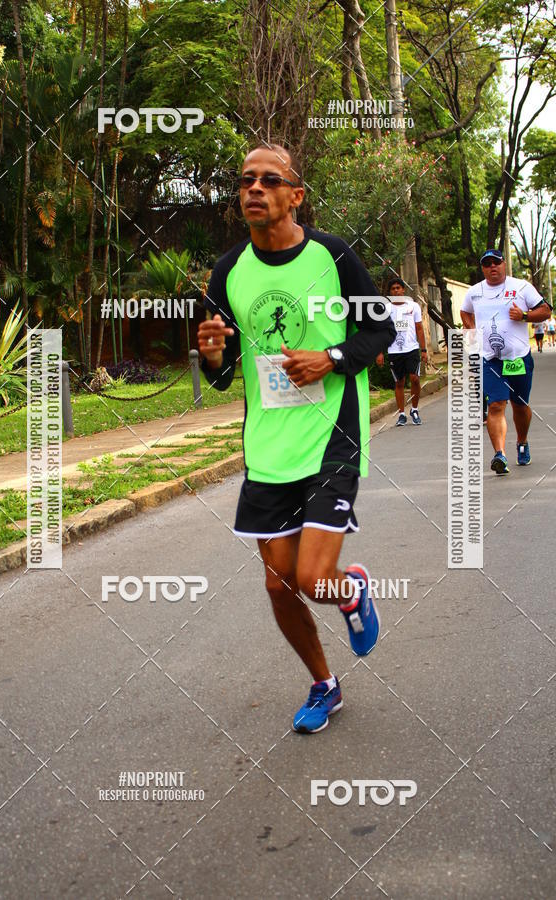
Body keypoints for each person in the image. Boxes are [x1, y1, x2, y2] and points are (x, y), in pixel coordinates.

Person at [197, 143, 396, 734]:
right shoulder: (228, 271)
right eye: (245, 181)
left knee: (312, 578)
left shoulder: (333, 256)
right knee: (279, 584)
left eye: (269, 180)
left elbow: (379, 329)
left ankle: (350, 591)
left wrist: (330, 358)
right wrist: (212, 356)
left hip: (331, 438)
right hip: (268, 447)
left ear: (295, 195)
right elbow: (222, 371)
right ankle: (324, 685)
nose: (254, 189)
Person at [460, 249, 551, 474]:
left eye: (496, 262)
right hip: (490, 359)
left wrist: (525, 316)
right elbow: (465, 312)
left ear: (503, 264)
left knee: (520, 405)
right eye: (487, 263)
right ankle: (499, 454)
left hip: (518, 358)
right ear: (483, 268)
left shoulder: (521, 287)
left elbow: (545, 311)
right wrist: (471, 329)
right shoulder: (474, 292)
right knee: (495, 404)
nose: (492, 266)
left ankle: (522, 442)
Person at [375, 277, 427, 426]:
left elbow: (419, 328)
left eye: (398, 288)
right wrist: (379, 352)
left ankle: (414, 410)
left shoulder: (413, 306)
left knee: (415, 378)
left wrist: (423, 350)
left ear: (403, 290)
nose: (396, 291)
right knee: (399, 382)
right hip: (394, 350)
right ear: (390, 292)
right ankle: (402, 414)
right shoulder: (386, 309)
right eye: (393, 289)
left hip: (411, 348)